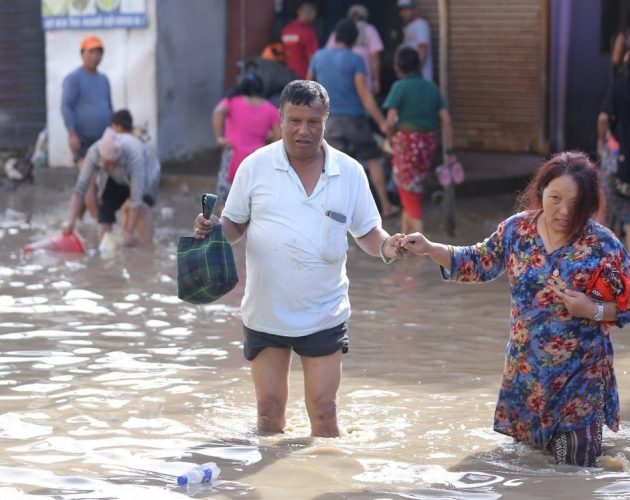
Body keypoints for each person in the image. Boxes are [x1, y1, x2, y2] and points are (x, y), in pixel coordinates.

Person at [193, 80, 405, 437]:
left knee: (324, 414)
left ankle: (327, 486)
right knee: (268, 415)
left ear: (326, 122)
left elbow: (369, 232)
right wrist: (213, 231)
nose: (303, 130)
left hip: (324, 312)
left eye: (313, 122)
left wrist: (388, 247)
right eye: (294, 121)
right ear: (280, 119)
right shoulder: (255, 166)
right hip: (266, 312)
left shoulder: (349, 171)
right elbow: (234, 225)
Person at [400, 151, 630, 467]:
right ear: (541, 193)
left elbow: (626, 304)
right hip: (528, 376)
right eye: (555, 198)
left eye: (574, 203)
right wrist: (430, 248)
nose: (563, 211)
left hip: (581, 377)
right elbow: (476, 262)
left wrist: (593, 310)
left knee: (571, 469)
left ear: (588, 203)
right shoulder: (517, 231)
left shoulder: (601, 243)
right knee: (530, 472)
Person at [307, 18, 399, 219]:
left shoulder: (318, 57)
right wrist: (381, 121)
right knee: (372, 158)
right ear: (354, 39)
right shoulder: (355, 59)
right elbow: (364, 94)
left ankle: (324, 210)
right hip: (355, 120)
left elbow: (308, 87)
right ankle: (385, 205)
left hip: (329, 121)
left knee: (329, 165)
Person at [383, 46, 458, 233]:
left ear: (398, 66)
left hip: (406, 144)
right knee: (411, 194)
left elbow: (390, 121)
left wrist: (390, 139)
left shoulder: (399, 87)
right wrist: (449, 151)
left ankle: (419, 251)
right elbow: (446, 121)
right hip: (428, 144)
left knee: (409, 196)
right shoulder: (431, 87)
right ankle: (403, 243)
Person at [63, 124, 160, 247]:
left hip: (146, 171)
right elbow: (80, 187)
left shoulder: (134, 156)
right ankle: (104, 247)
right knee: (105, 209)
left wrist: (129, 232)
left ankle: (147, 248)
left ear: (120, 155)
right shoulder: (94, 152)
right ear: (101, 157)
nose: (111, 167)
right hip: (116, 177)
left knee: (141, 207)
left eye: (114, 163)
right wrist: (70, 220)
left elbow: (136, 200)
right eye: (108, 164)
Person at [61, 35, 113, 218]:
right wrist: (71, 133)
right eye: (92, 52)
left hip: (101, 139)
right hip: (82, 140)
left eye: (99, 52)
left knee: (95, 183)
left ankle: (76, 222)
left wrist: (111, 134)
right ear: (83, 53)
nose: (96, 56)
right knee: (89, 181)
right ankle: (101, 225)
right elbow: (66, 106)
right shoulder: (74, 78)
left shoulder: (103, 79)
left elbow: (108, 106)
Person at [212, 72, 281, 206]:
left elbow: (218, 112)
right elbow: (279, 134)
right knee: (253, 198)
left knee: (226, 197)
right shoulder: (270, 109)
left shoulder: (232, 101)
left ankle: (226, 225)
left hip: (233, 154)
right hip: (257, 158)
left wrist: (219, 138)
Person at [598, 56, 630, 248]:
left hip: (618, 148)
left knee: (607, 194)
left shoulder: (618, 86)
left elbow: (603, 118)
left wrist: (602, 143)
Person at [325, 4, 384, 94]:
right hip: (363, 79)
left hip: (340, 79)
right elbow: (374, 55)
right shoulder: (370, 29)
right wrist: (376, 80)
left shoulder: (340, 29)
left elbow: (328, 53)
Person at [281, 1, 319, 79]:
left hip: (286, 74)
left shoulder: (286, 29)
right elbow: (312, 58)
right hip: (302, 76)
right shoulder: (308, 32)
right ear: (313, 14)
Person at [397, 0, 433, 81]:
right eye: (401, 10)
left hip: (420, 78)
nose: (403, 13)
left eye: (406, 10)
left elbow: (422, 50)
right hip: (410, 78)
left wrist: (414, 72)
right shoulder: (409, 26)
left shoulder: (420, 25)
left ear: (414, 9)